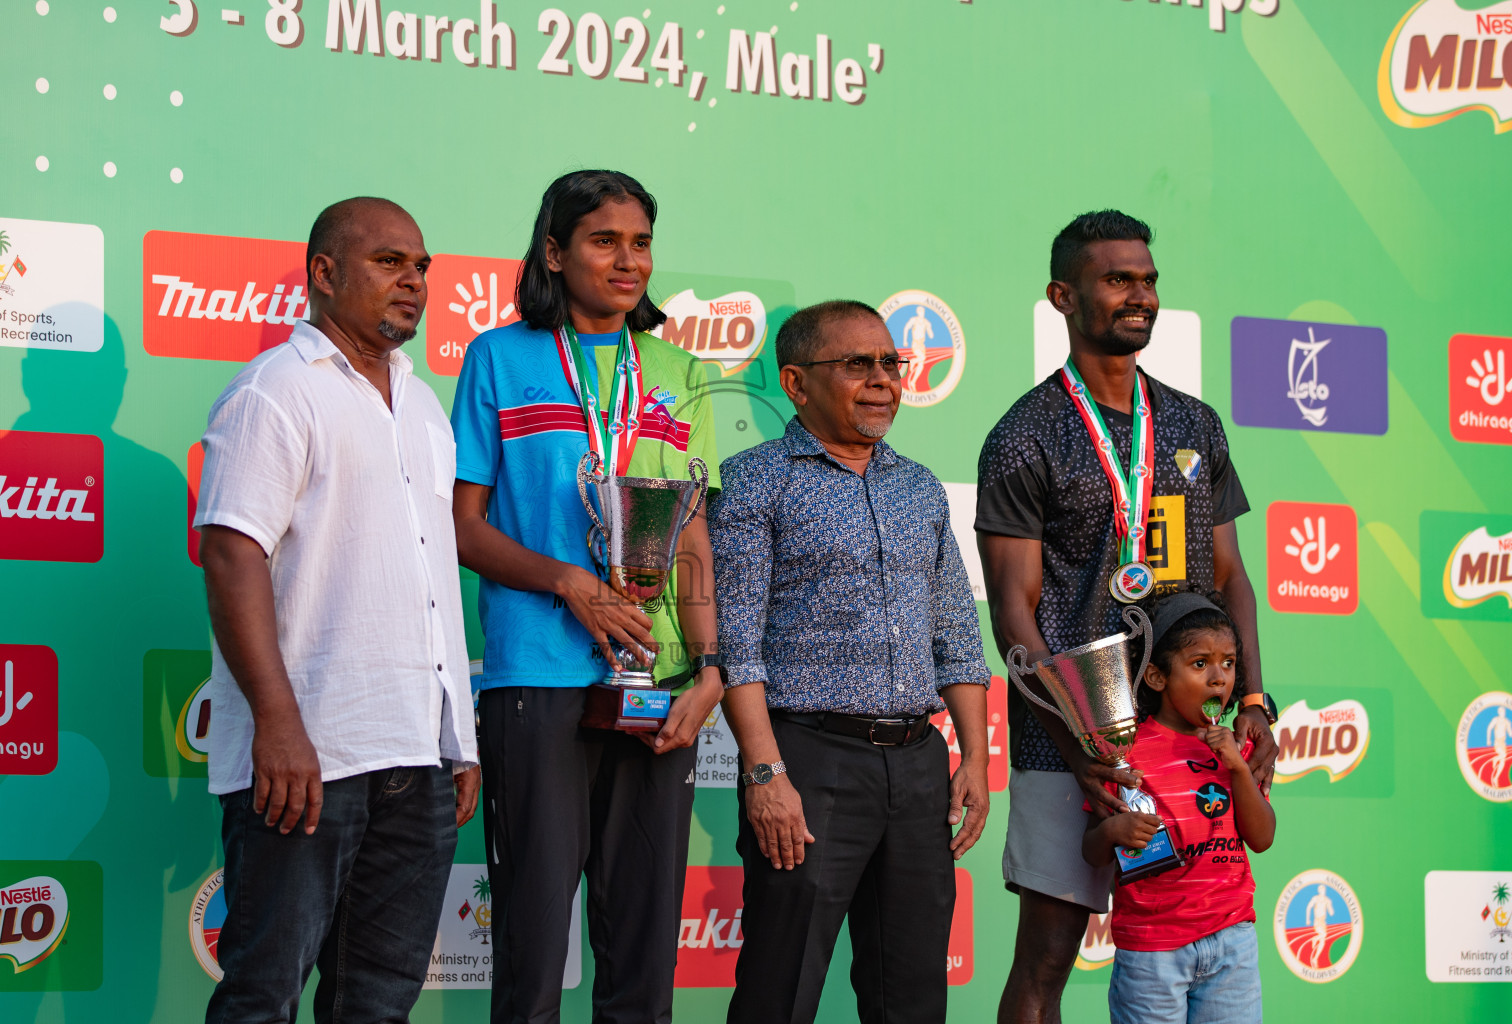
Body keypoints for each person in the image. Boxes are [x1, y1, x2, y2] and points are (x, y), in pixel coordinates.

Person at [977, 210, 1278, 1024]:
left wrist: (1251, 700)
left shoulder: (1192, 423)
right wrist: (1081, 743)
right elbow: (1014, 608)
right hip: (1071, 742)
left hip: (1191, 737)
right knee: (1043, 964)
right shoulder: (1025, 434)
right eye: (1117, 280)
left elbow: (1229, 577)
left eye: (1146, 279)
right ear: (1062, 296)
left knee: (1201, 946)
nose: (1139, 295)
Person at [196, 197, 479, 1023]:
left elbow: (429, 583)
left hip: (416, 757)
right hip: (309, 756)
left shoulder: (425, 408)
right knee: (262, 998)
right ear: (323, 273)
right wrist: (279, 726)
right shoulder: (274, 393)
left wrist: (456, 737)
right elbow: (230, 551)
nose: (415, 282)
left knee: (377, 1007)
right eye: (390, 262)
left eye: (421, 266)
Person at [449, 169, 721, 1024]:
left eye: (641, 242)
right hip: (537, 670)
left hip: (659, 678)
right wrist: (570, 582)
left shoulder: (679, 369)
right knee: (531, 946)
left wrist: (710, 665)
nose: (628, 259)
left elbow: (692, 537)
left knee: (641, 950)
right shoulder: (500, 356)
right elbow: (462, 526)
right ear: (556, 252)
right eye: (605, 241)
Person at [709, 300, 993, 1024]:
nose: (882, 380)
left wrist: (979, 763)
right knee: (782, 986)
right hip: (809, 760)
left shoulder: (920, 487)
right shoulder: (754, 480)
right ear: (797, 384)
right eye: (857, 364)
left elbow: (958, 633)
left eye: (891, 364)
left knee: (914, 992)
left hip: (919, 764)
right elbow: (736, 644)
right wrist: (766, 774)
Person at [1082, 591, 1276, 1024]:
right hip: (1152, 949)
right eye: (1200, 663)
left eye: (1228, 664)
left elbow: (1262, 838)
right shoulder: (1125, 751)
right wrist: (1114, 833)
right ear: (1156, 677)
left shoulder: (1240, 747)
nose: (1219, 679)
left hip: (1232, 941)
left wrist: (1240, 772)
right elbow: (1092, 850)